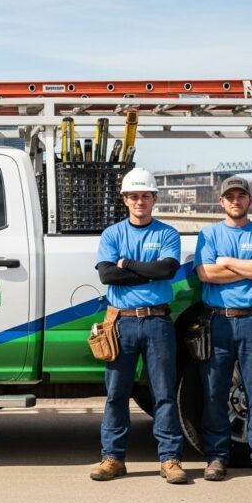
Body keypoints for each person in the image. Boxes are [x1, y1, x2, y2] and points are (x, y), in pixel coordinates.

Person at [91, 167, 187, 484]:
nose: (140, 201)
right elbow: (107, 275)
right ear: (125, 200)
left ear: (155, 198)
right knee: (116, 394)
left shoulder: (167, 233)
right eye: (134, 196)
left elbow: (167, 269)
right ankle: (113, 458)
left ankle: (170, 459)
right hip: (121, 322)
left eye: (145, 195)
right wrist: (148, 271)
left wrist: (128, 264)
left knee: (164, 394)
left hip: (157, 320)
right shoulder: (113, 234)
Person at [193, 176, 252, 483]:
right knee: (215, 392)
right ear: (221, 202)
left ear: (250, 200)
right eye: (229, 196)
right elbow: (206, 274)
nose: (235, 201)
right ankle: (217, 457)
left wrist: (228, 261)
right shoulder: (208, 234)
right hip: (218, 320)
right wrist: (248, 268)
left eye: (240, 196)